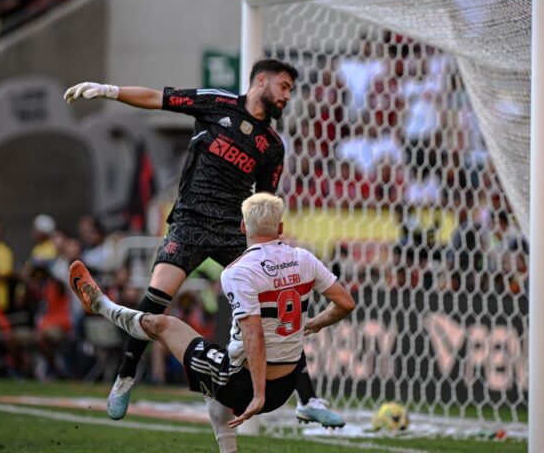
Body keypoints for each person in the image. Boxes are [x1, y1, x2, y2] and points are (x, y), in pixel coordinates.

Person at [64, 58, 347, 427]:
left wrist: (274, 244)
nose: (287, 96)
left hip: (233, 228)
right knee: (156, 300)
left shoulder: (273, 146)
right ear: (261, 80)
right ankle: (125, 376)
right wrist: (109, 91)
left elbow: (263, 204)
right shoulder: (217, 104)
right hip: (190, 221)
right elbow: (155, 98)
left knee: (276, 303)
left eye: (290, 90)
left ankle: (308, 398)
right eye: (284, 86)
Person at [69, 193, 355, 452]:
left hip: (246, 386)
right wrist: (316, 322)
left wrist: (257, 395)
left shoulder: (239, 271)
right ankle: (299, 407)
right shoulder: (304, 258)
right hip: (286, 385)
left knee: (163, 325)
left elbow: (253, 332)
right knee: (211, 372)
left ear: (243, 227)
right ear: (280, 228)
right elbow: (345, 303)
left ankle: (100, 305)